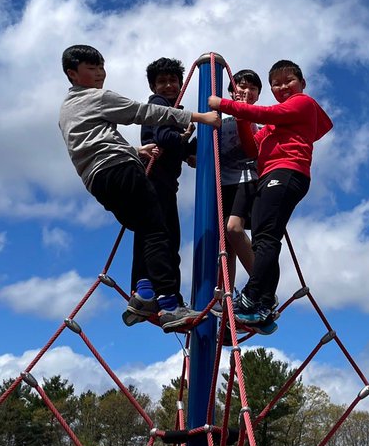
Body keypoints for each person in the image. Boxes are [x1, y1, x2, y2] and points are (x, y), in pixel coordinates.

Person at [58, 44, 220, 331]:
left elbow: (90, 143)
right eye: (91, 69)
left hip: (97, 180)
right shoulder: (97, 97)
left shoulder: (66, 109)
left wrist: (135, 150)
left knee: (147, 230)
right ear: (72, 74)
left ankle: (144, 293)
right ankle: (170, 304)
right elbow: (142, 112)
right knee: (160, 233)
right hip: (122, 170)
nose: (100, 74)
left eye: (101, 67)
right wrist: (200, 118)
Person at [209, 60, 333, 331]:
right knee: (266, 237)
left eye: (288, 80)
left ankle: (253, 298)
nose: (282, 86)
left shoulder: (303, 103)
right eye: (276, 84)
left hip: (286, 171)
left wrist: (221, 103)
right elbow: (252, 147)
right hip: (271, 175)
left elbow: (265, 114)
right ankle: (262, 305)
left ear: (302, 83)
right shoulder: (275, 127)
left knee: (265, 238)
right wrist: (242, 118)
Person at [130, 57, 196, 312]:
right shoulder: (158, 105)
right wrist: (187, 135)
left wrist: (190, 150)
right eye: (162, 82)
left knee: (156, 235)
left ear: (180, 83)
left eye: (173, 80)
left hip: (163, 182)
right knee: (162, 238)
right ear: (153, 86)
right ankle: (165, 297)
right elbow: (164, 138)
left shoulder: (173, 110)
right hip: (154, 179)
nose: (168, 85)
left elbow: (176, 145)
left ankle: (146, 288)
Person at [218, 69, 262, 297]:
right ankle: (225, 298)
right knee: (225, 248)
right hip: (220, 184)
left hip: (246, 180)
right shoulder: (219, 116)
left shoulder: (257, 117)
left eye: (252, 88)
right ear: (231, 90)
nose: (246, 91)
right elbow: (197, 149)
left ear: (257, 96)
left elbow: (252, 148)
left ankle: (262, 287)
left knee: (234, 229)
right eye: (241, 87)